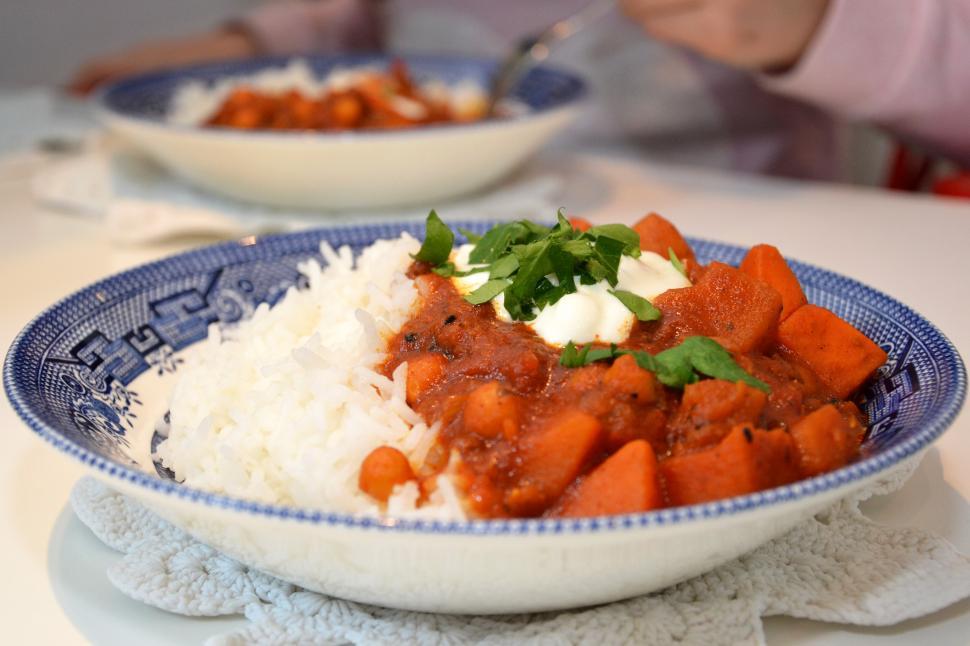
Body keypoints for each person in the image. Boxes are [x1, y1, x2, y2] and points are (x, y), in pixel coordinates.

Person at [69, 0, 970, 177]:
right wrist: (250, 42)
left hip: (737, 225)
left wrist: (820, 26)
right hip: (384, 208)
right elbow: (354, 23)